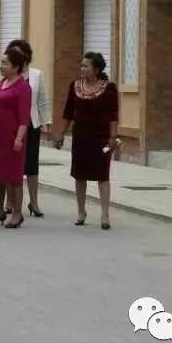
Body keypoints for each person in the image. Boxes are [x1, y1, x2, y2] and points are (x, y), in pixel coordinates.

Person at [57, 51, 120, 229]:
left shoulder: (109, 88)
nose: (82, 68)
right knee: (80, 175)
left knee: (103, 175)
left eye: (86, 66)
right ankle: (81, 211)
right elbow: (68, 112)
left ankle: (105, 214)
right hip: (80, 137)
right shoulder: (75, 86)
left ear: (96, 69)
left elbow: (113, 114)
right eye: (82, 65)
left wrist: (113, 137)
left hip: (101, 138)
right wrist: (61, 134)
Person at [0, 46, 31, 228]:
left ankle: (17, 213)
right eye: (2, 62)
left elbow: (24, 117)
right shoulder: (0, 83)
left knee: (14, 176)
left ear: (16, 67)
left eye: (5, 63)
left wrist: (19, 138)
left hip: (13, 137)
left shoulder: (23, 87)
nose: (1, 66)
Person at [5, 40, 51, 218]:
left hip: (31, 123)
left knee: (31, 165)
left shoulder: (36, 75)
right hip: (11, 123)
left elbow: (42, 100)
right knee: (11, 164)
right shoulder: (7, 74)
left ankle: (34, 202)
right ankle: (9, 201)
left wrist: (46, 121)